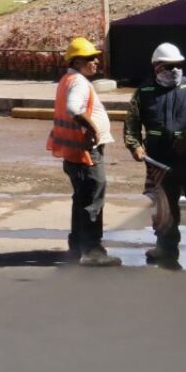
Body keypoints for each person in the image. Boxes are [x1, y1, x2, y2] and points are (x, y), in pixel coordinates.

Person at [123, 43, 186, 271]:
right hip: (159, 160)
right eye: (169, 66)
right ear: (157, 68)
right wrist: (134, 146)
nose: (175, 70)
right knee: (164, 206)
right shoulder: (144, 92)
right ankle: (165, 246)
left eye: (178, 66)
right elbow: (132, 123)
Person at [47, 37, 120, 267]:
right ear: (78, 61)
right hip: (86, 153)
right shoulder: (78, 81)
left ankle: (77, 245)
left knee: (81, 199)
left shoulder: (67, 79)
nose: (96, 62)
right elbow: (72, 108)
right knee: (92, 199)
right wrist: (92, 127)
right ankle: (92, 250)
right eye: (91, 59)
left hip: (74, 152)